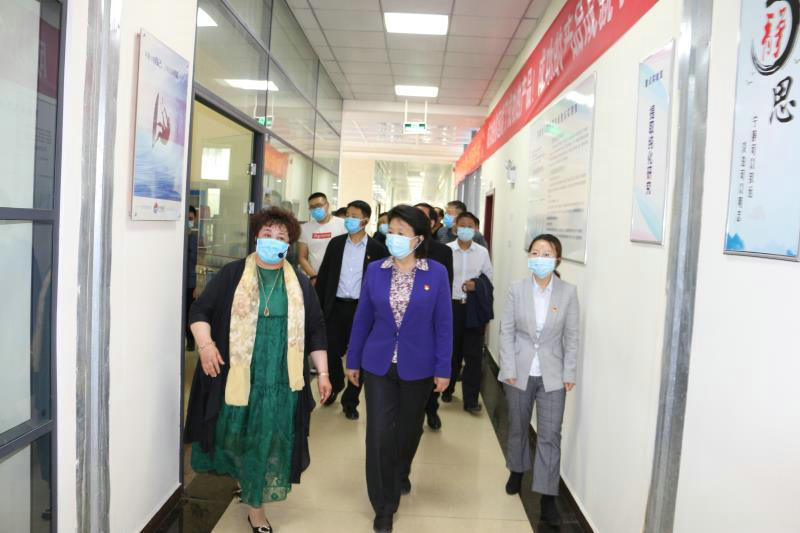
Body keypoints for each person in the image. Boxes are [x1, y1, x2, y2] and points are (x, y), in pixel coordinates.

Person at [184, 207, 333, 533]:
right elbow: (200, 310)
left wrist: (323, 373)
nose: (273, 241)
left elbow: (316, 329)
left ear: (289, 245)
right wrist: (206, 346)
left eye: (281, 237)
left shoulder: (299, 284)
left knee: (267, 439)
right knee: (238, 436)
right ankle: (248, 482)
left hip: (279, 382)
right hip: (237, 377)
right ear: (256, 237)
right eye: (268, 234)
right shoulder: (233, 275)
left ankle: (256, 508)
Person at [346, 205, 453, 533]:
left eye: (401, 233)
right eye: (390, 231)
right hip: (378, 363)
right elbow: (363, 317)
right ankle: (384, 504)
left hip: (418, 365)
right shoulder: (376, 269)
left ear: (418, 239)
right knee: (378, 434)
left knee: (408, 431)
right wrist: (353, 359)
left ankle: (401, 469)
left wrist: (444, 368)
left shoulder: (436, 273)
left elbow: (444, 323)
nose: (393, 237)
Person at [498, 234, 579, 528]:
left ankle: (547, 497)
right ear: (529, 257)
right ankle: (517, 470)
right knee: (518, 426)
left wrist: (569, 372)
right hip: (518, 370)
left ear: (557, 259)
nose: (540, 258)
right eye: (535, 252)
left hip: (552, 374)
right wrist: (508, 366)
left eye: (547, 253)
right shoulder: (516, 289)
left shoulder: (568, 293)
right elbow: (506, 331)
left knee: (550, 434)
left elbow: (572, 336)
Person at [315, 200, 389, 419]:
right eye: (347, 215)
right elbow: (324, 276)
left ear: (365, 220)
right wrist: (318, 307)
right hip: (336, 307)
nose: (349, 219)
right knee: (330, 350)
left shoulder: (377, 249)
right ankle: (336, 383)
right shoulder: (336, 244)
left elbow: (382, 284)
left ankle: (351, 401)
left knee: (360, 355)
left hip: (362, 310)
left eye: (354, 216)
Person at [442, 212, 493, 411]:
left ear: (476, 229)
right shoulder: (446, 250)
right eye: (461, 225)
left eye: (470, 225)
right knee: (451, 353)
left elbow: (489, 279)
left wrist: (476, 285)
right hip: (450, 307)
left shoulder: (482, 252)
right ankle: (447, 389)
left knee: (473, 356)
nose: (465, 229)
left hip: (472, 309)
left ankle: (471, 400)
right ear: (455, 227)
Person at [414, 203, 454, 430]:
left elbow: (445, 292)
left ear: (432, 223)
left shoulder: (443, 252)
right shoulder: (399, 250)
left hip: (430, 323)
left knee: (430, 371)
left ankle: (431, 408)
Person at [297, 192, 346, 285]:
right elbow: (302, 257)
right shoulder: (305, 228)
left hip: (340, 279)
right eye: (312, 207)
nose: (316, 209)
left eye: (319, 205)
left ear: (327, 205)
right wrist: (314, 277)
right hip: (316, 279)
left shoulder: (342, 225)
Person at [185, 206, 199, 351]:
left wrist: (198, 285)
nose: (188, 221)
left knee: (189, 312)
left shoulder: (196, 238)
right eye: (186, 219)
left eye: (190, 219)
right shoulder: (178, 237)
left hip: (191, 283)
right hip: (179, 282)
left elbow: (200, 261)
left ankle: (190, 340)